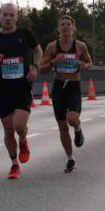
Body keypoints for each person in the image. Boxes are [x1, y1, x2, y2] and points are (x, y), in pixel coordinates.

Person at [0, 3, 42, 179]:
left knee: (19, 126)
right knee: (8, 131)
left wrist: (34, 68)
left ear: (16, 17)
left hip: (22, 88)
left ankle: (23, 140)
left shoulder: (24, 34)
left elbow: (38, 51)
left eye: (11, 15)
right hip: (2, 91)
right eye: (5, 15)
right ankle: (14, 164)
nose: (8, 18)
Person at [40, 16, 93, 173]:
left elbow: (90, 62)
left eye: (68, 24)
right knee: (62, 126)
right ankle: (70, 159)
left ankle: (77, 129)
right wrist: (54, 62)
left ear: (73, 27)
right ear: (58, 28)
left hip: (74, 86)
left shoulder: (80, 46)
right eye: (62, 24)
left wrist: (83, 66)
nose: (65, 27)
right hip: (58, 88)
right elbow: (42, 68)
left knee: (72, 119)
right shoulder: (52, 47)